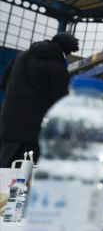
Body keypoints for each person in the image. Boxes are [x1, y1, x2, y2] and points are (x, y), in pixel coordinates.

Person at [0, 32, 79, 167]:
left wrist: (16, 101)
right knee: (26, 173)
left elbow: (3, 83)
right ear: (67, 50)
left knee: (4, 170)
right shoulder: (59, 68)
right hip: (34, 130)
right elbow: (61, 103)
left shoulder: (21, 56)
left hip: (9, 125)